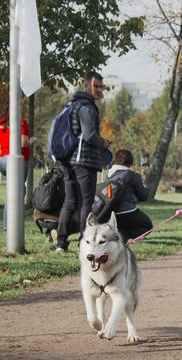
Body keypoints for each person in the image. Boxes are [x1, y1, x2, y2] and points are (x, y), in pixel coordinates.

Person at [55, 71, 113, 252]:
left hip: (69, 161)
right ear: (86, 85)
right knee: (86, 203)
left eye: (101, 87)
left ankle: (61, 243)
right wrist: (103, 143)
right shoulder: (87, 107)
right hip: (84, 161)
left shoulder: (73, 104)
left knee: (70, 201)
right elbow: (89, 136)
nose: (99, 90)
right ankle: (84, 241)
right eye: (96, 86)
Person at [0, 106, 32, 231]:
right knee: (16, 193)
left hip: (2, 160)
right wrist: (32, 142)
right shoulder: (21, 123)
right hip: (17, 161)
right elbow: (23, 143)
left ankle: (12, 223)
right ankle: (9, 226)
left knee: (18, 190)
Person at [106, 149, 152, 240]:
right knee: (148, 227)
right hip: (128, 212)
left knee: (123, 224)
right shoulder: (132, 175)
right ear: (130, 161)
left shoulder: (108, 175)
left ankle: (121, 234)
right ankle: (125, 236)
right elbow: (143, 196)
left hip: (111, 212)